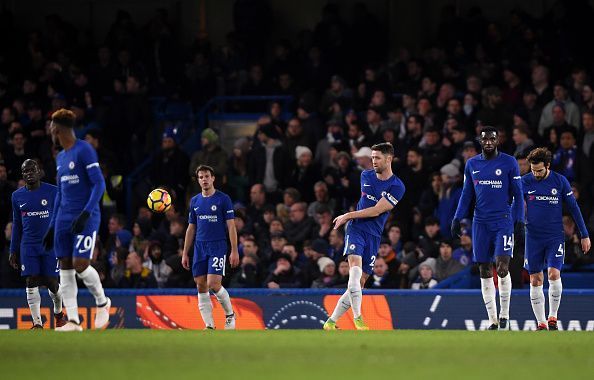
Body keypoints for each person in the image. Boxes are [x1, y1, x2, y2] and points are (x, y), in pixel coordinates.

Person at [324, 142, 405, 330]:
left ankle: (331, 321)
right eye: (372, 157)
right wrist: (350, 220)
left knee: (359, 283)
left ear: (389, 159)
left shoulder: (397, 186)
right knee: (355, 269)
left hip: (374, 235)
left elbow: (376, 211)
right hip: (356, 229)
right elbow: (367, 206)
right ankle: (358, 318)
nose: (373, 161)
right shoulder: (366, 175)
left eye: (377, 157)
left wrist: (347, 215)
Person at [43, 109, 110, 332]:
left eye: (51, 126)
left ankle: (102, 302)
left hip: (85, 218)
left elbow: (99, 184)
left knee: (81, 265)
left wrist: (86, 213)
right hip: (63, 218)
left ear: (57, 128)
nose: (50, 130)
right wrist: (52, 226)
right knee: (65, 266)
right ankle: (73, 320)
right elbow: (60, 194)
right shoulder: (60, 157)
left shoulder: (84, 150)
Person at [451, 126, 524, 330]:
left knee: (501, 268)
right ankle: (492, 319)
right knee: (483, 268)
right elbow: (466, 194)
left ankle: (504, 315)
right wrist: (457, 218)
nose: (489, 142)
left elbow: (518, 194)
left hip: (503, 221)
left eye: (492, 139)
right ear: (480, 141)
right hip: (480, 222)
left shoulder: (509, 162)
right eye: (485, 140)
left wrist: (519, 219)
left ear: (497, 140)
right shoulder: (472, 164)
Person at [522, 148, 591, 330]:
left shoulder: (559, 181)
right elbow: (511, 204)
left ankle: (553, 316)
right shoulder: (524, 181)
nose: (535, 173)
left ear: (548, 166)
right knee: (535, 279)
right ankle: (541, 322)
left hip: (554, 236)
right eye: (533, 170)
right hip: (533, 237)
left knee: (553, 274)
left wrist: (584, 234)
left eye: (539, 170)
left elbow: (574, 209)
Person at [9, 159, 67, 330]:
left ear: (39, 171)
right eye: (25, 171)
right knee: (31, 280)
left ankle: (58, 314)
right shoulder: (17, 196)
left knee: (51, 282)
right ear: (22, 175)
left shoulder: (53, 192)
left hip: (50, 244)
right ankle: (37, 323)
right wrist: (13, 249)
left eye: (32, 170)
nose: (29, 173)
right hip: (28, 245)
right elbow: (17, 224)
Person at [181, 165, 240, 330]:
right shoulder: (195, 201)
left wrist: (234, 250)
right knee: (200, 285)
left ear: (213, 178)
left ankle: (229, 315)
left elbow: (231, 226)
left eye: (207, 176)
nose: (204, 180)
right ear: (198, 180)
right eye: (201, 177)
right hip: (200, 246)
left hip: (218, 245)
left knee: (213, 283)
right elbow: (191, 228)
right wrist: (185, 253)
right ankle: (209, 325)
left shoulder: (223, 199)